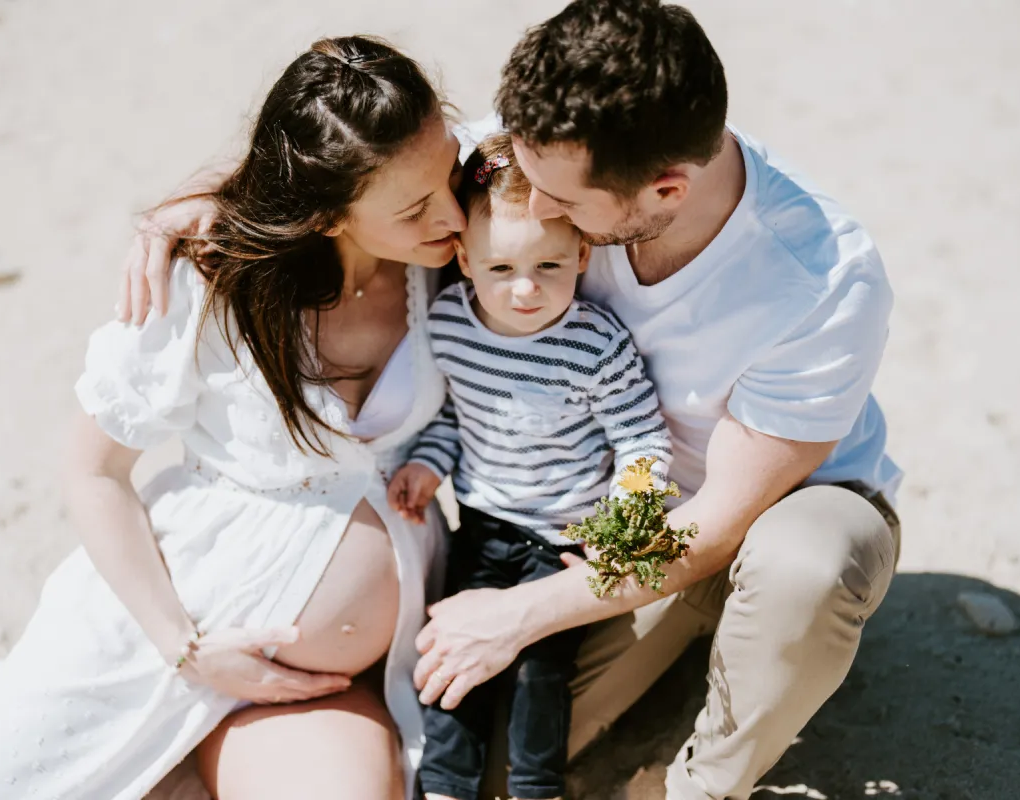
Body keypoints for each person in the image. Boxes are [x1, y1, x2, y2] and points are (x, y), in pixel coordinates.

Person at [122, 2, 902, 798]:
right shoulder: (547, 156)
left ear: (665, 189)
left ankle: (710, 780)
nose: (526, 208)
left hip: (749, 519)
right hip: (574, 527)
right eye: (521, 171)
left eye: (562, 207)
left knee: (804, 566)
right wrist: (208, 199)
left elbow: (718, 522)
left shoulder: (823, 278)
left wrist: (523, 613)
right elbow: (356, 155)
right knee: (482, 768)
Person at [0, 35, 468, 800]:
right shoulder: (210, 285)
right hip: (171, 636)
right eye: (417, 206)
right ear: (329, 215)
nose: (456, 212)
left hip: (319, 683)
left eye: (451, 174)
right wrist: (188, 649)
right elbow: (93, 472)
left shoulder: (446, 255)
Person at [386, 133, 672, 800]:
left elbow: (641, 440)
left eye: (548, 266)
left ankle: (536, 785)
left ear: (580, 252)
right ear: (463, 259)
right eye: (500, 269)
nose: (524, 290)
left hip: (567, 537)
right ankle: (446, 784)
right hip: (482, 523)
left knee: (542, 671)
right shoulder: (449, 322)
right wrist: (429, 463)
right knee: (450, 652)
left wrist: (628, 523)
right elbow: (453, 413)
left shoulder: (595, 345)